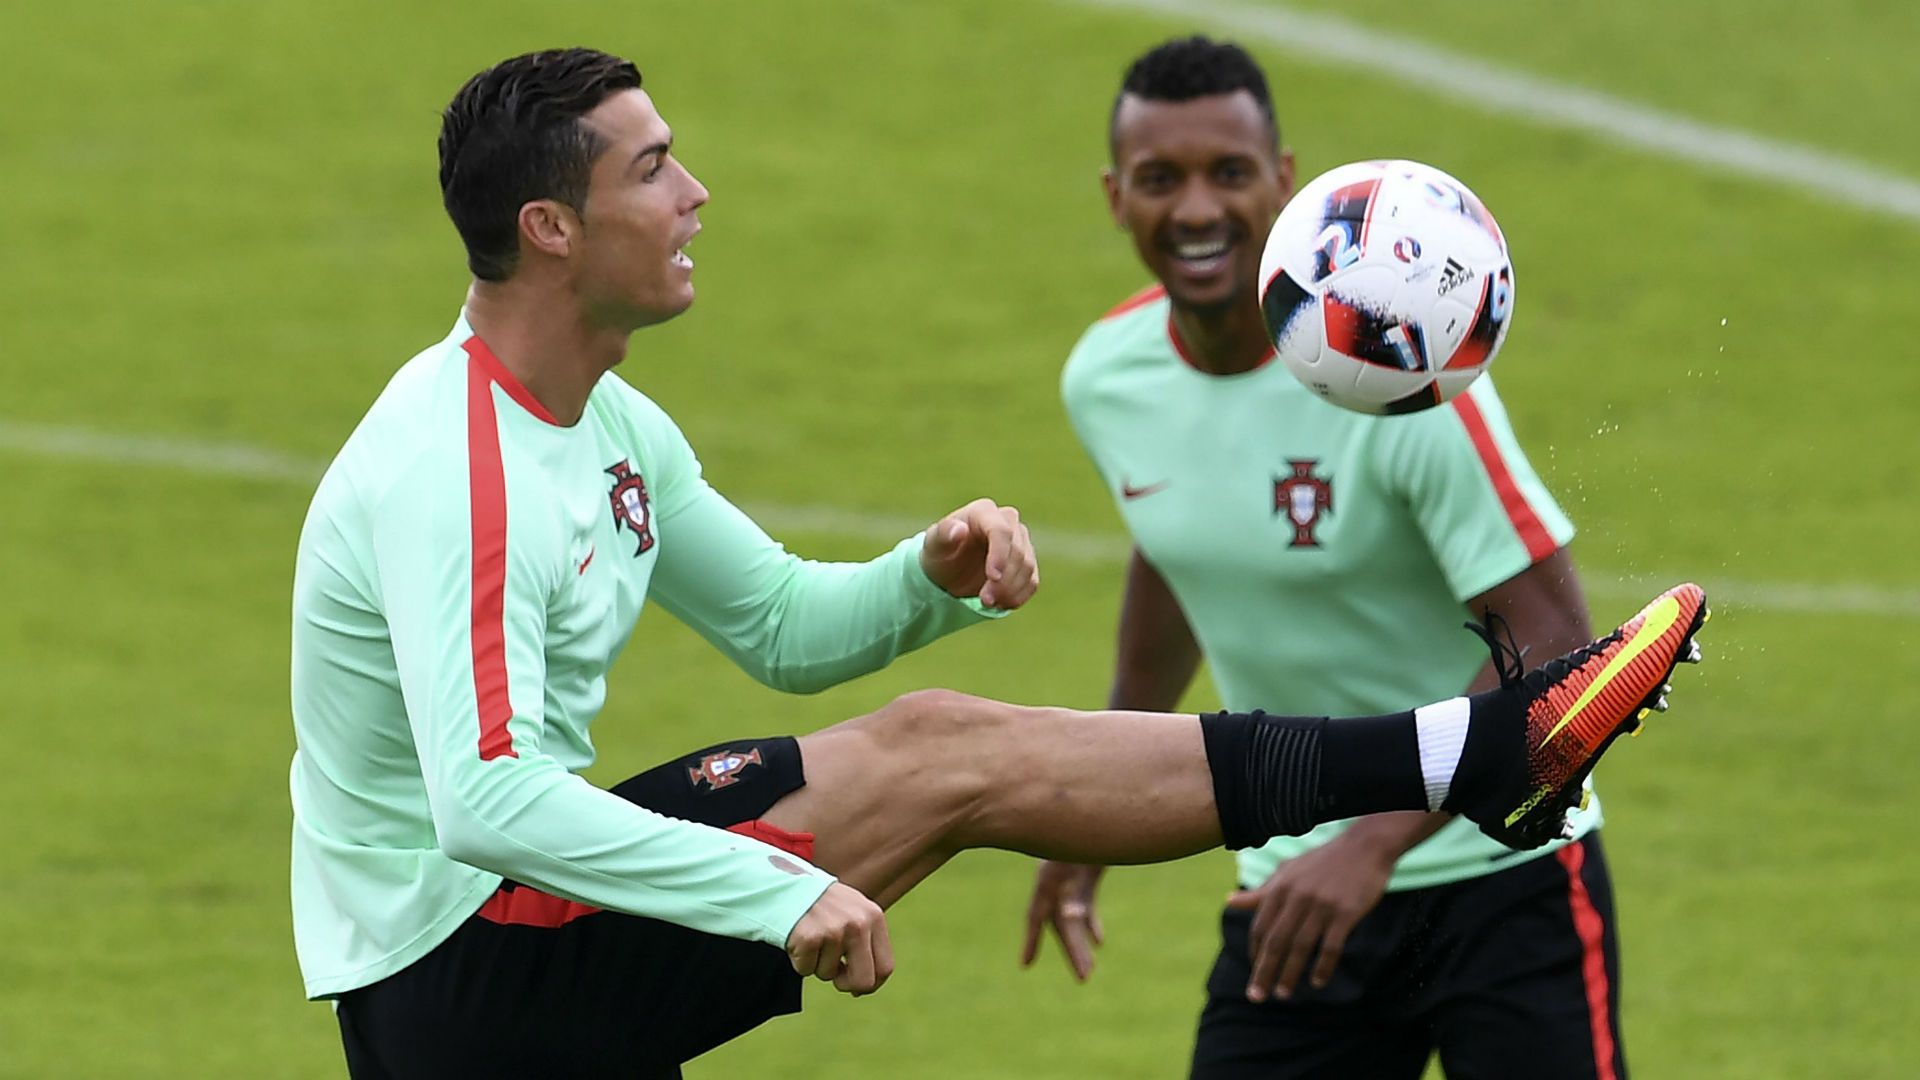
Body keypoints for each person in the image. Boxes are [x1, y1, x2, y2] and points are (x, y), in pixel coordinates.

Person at [288, 47, 1705, 1079]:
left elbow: (780, 623)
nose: (698, 193)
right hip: (463, 967)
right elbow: (483, 800)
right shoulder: (453, 466)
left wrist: (930, 576)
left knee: (943, 745)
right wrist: (781, 893)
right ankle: (1478, 756)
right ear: (550, 227)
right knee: (945, 757)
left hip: (532, 932)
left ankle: (1475, 757)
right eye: (654, 170)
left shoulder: (608, 420)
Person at [1023, 35, 1648, 1079]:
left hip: (1509, 880)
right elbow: (1177, 559)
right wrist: (1092, 804)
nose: (1195, 211)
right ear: (1112, 195)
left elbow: (1562, 644)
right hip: (1295, 886)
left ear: (1284, 181)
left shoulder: (1399, 372)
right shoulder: (1108, 378)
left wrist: (1371, 842)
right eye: (1158, 179)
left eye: (1228, 174)